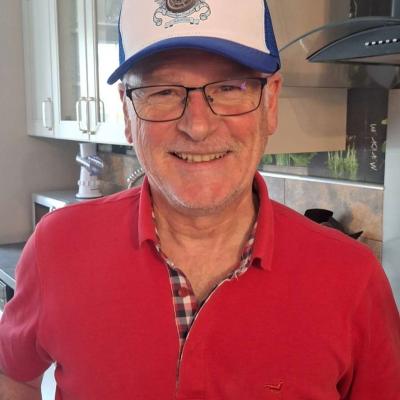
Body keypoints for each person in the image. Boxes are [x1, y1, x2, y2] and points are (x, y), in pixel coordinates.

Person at [1, 0, 400, 399]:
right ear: (127, 111)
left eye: (230, 87)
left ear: (271, 103)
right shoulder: (58, 247)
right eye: (162, 91)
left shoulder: (353, 279)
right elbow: (12, 375)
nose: (197, 125)